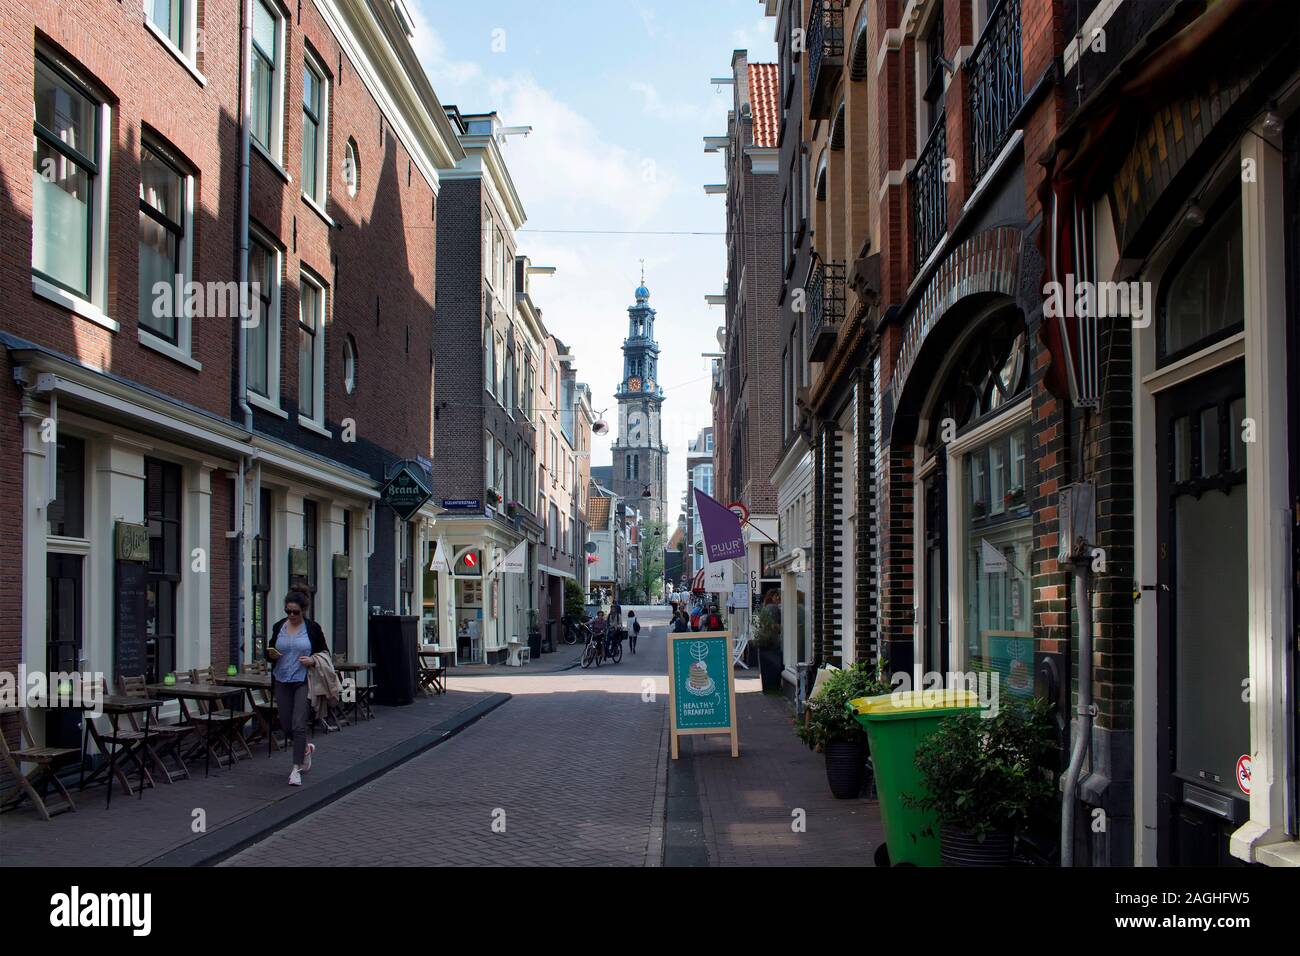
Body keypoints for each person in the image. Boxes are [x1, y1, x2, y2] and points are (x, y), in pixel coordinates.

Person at [266, 589, 329, 786]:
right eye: (288, 612)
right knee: (285, 724)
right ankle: (304, 749)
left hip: (303, 680)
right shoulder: (279, 627)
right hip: (281, 679)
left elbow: (324, 651)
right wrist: (271, 655)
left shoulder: (312, 628)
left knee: (298, 724)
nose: (291, 616)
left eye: (295, 612)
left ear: (303, 611)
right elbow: (268, 652)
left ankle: (296, 769)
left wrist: (312, 660)